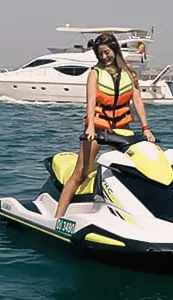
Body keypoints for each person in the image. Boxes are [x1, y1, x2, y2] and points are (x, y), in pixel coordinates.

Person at [54, 32, 156, 218]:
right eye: (100, 54)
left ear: (115, 49)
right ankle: (57, 216)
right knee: (80, 172)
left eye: (107, 52)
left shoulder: (130, 73)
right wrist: (91, 127)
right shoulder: (95, 73)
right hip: (98, 126)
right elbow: (91, 101)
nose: (104, 57)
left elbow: (138, 102)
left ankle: (136, 213)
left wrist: (145, 128)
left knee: (133, 168)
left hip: (121, 127)